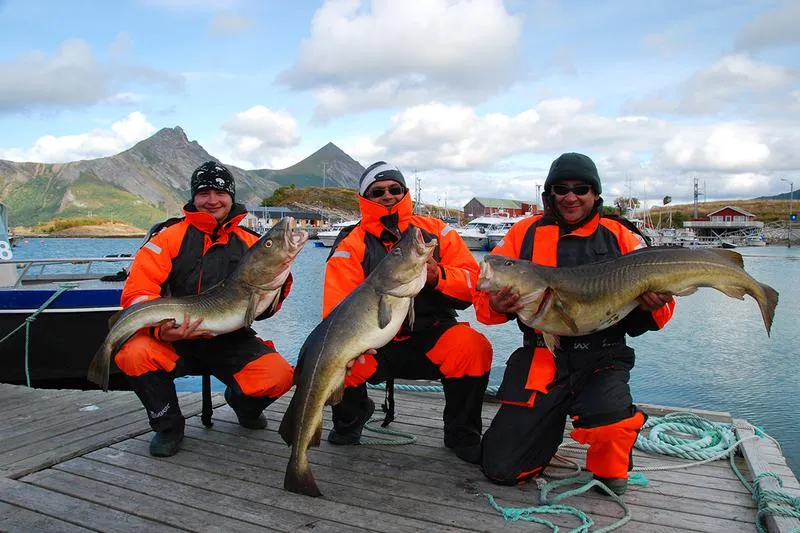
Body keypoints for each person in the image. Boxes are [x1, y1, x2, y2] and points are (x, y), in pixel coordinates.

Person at [474, 152, 675, 495]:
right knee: (501, 468)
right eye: (561, 189)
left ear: (595, 194)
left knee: (612, 466)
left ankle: (611, 448)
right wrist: (496, 304)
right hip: (541, 357)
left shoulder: (621, 235)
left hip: (603, 357)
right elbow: (484, 303)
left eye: (581, 188)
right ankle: (543, 431)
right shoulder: (524, 233)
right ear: (549, 194)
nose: (570, 196)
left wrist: (653, 305)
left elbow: (664, 311)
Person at [115, 161, 294, 457]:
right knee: (133, 353)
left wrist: (280, 280)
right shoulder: (167, 236)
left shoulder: (252, 242)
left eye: (220, 192)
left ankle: (242, 405)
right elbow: (138, 292)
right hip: (173, 339)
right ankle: (168, 426)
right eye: (204, 192)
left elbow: (264, 312)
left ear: (232, 196)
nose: (212, 200)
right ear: (193, 198)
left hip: (229, 337)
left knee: (279, 375)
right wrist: (160, 330)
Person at [323, 161, 493, 464]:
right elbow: (335, 313)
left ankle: (462, 434)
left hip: (431, 334)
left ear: (404, 192)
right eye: (377, 191)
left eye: (394, 189)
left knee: (472, 347)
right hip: (374, 343)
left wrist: (437, 276)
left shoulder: (437, 231)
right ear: (365, 198)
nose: (387, 195)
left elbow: (475, 285)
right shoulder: (351, 244)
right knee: (336, 357)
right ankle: (350, 419)